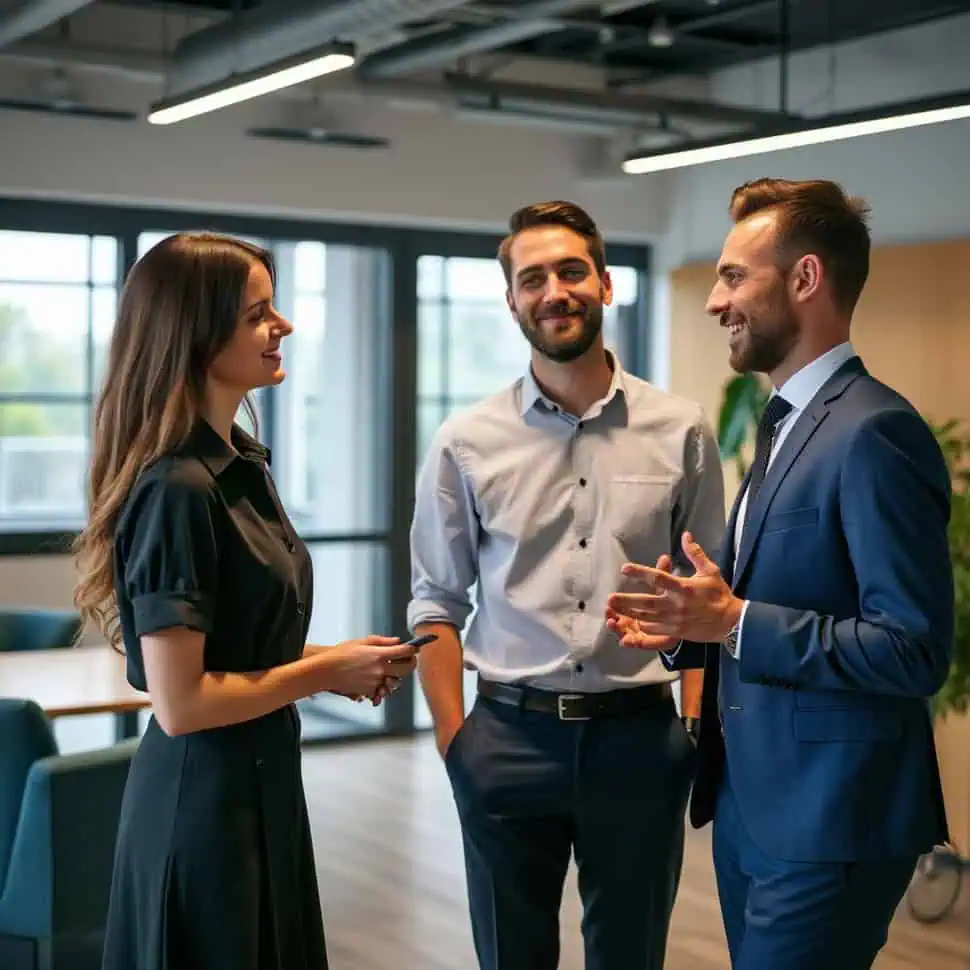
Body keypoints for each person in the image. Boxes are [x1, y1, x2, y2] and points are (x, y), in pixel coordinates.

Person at [606, 178, 954, 970]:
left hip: (833, 820)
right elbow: (765, 604)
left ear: (804, 280)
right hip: (755, 810)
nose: (713, 301)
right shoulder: (786, 424)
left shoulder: (875, 431)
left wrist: (732, 621)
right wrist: (686, 626)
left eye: (734, 277)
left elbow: (913, 649)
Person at [72, 231, 418, 970]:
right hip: (201, 812)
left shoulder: (239, 466)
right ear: (196, 335)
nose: (283, 325)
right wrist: (324, 675)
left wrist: (342, 657)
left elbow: (237, 649)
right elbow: (182, 702)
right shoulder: (177, 487)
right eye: (258, 312)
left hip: (260, 790)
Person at [407, 200, 725, 970]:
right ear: (513, 300)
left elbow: (711, 593)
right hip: (508, 740)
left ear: (606, 285)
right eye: (533, 277)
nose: (556, 290)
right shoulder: (466, 442)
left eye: (572, 271)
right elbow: (435, 602)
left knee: (630, 956)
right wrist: (458, 743)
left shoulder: (681, 430)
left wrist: (689, 728)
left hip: (640, 744)